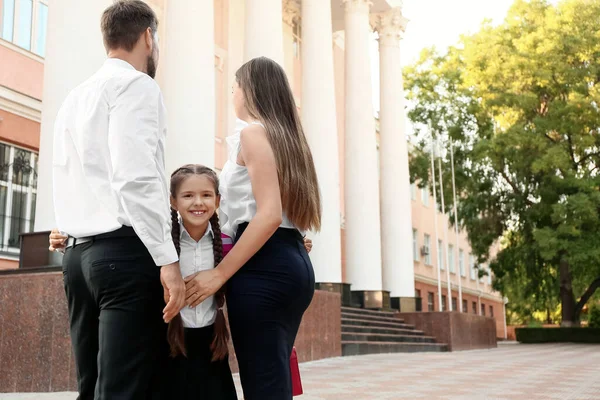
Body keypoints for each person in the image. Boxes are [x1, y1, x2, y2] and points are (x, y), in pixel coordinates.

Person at [50, 1, 184, 398]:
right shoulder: (137, 85)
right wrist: (168, 259)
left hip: (76, 260)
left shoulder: (75, 97)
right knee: (123, 389)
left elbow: (65, 173)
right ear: (147, 37)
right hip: (122, 255)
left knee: (91, 387)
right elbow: (136, 176)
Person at [184, 57, 321, 400]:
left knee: (264, 384)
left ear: (249, 91)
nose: (232, 94)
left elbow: (269, 214)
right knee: (273, 379)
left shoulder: (253, 133)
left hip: (264, 267)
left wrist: (219, 275)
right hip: (288, 260)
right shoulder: (288, 138)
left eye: (234, 87)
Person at [163, 164, 237, 400]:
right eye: (188, 195)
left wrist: (300, 244)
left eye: (206, 195)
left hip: (212, 345)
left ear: (217, 200)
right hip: (169, 343)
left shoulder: (229, 242)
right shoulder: (161, 243)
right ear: (173, 201)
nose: (198, 202)